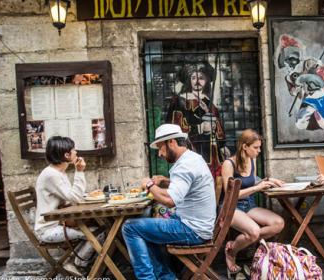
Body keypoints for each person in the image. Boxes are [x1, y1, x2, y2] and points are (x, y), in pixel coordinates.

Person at [122, 123, 216, 280]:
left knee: (130, 227)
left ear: (171, 142)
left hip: (192, 230)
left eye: (160, 147)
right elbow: (184, 188)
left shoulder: (184, 165)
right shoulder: (193, 158)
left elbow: (170, 200)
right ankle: (166, 277)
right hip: (196, 224)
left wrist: (149, 184)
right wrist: (165, 181)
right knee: (148, 228)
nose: (159, 153)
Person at [221, 129, 285, 277]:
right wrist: (257, 187)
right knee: (254, 231)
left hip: (248, 205)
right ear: (244, 146)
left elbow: (252, 181)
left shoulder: (251, 160)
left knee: (278, 223)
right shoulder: (228, 164)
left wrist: (268, 180)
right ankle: (232, 252)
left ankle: (238, 241)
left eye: (259, 147)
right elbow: (230, 195)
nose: (259, 151)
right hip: (232, 207)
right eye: (256, 147)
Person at [34, 136, 100, 275]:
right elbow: (74, 198)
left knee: (99, 229)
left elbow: (71, 197)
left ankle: (74, 261)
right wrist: (80, 171)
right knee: (97, 234)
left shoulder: (57, 172)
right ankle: (76, 263)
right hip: (48, 230)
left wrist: (87, 195)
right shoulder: (52, 175)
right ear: (66, 155)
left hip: (57, 224)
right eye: (73, 149)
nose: (76, 152)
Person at [166, 62, 229, 177]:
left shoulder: (210, 104)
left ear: (206, 81)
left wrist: (222, 145)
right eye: (193, 78)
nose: (197, 82)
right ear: (189, 81)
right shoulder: (180, 101)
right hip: (192, 148)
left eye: (201, 78)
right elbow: (175, 128)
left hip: (213, 153)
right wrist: (199, 128)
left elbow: (218, 127)